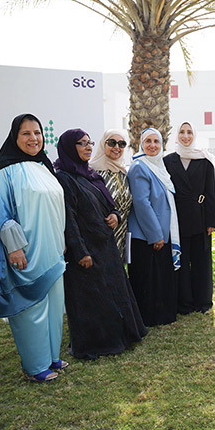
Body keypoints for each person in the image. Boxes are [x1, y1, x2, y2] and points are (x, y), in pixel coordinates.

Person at [0, 114, 68, 382]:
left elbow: (56, 207)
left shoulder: (44, 166)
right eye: (26, 133)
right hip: (26, 252)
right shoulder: (4, 172)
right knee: (32, 308)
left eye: (37, 133)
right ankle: (36, 366)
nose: (34, 138)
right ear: (14, 137)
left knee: (54, 306)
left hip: (52, 249)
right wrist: (14, 248)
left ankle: (52, 357)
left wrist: (62, 240)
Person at [54, 129, 147, 359]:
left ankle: (120, 337)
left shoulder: (90, 174)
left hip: (104, 245)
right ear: (69, 148)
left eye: (89, 142)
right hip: (86, 249)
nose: (88, 147)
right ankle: (96, 344)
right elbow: (69, 219)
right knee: (91, 299)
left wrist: (115, 214)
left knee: (112, 294)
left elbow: (109, 203)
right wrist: (80, 252)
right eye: (81, 143)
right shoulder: (64, 178)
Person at [127, 127, 180, 326]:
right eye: (148, 141)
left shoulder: (159, 167)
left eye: (156, 141)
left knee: (158, 278)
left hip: (159, 234)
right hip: (146, 236)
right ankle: (149, 317)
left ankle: (161, 314)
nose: (152, 145)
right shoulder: (139, 167)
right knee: (147, 279)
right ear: (141, 144)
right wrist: (155, 235)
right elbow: (142, 203)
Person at [163, 121, 215, 315]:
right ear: (177, 135)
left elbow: (210, 192)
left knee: (201, 260)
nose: (185, 136)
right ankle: (184, 303)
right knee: (181, 260)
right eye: (182, 132)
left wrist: (211, 221)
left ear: (195, 135)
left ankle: (203, 302)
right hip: (177, 218)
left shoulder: (205, 160)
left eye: (189, 132)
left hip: (200, 217)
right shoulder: (168, 161)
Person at [89, 129, 132, 260]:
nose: (117, 147)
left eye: (122, 144)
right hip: (101, 236)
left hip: (121, 234)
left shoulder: (124, 173)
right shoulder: (92, 173)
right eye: (112, 143)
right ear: (103, 144)